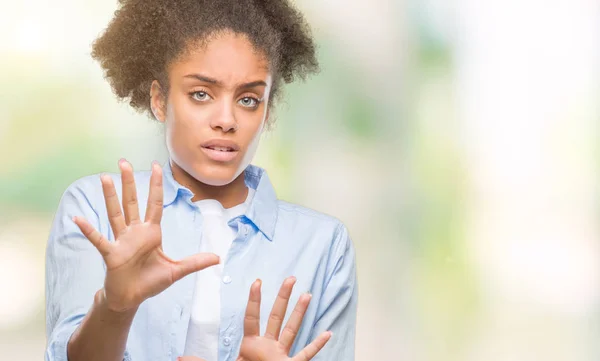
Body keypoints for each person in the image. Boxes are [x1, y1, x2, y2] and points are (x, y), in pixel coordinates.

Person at [44, 1, 358, 361]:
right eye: (201, 94)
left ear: (267, 112)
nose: (226, 120)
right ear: (160, 100)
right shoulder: (93, 208)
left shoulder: (323, 245)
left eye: (249, 99)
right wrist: (115, 308)